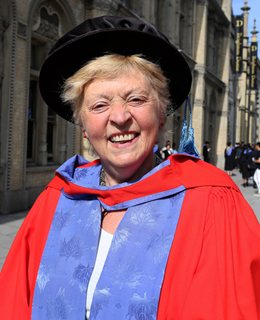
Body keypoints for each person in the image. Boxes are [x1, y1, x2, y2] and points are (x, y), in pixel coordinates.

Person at [0, 15, 260, 320]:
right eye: (99, 105)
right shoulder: (56, 199)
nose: (119, 117)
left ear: (162, 115)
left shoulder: (210, 202)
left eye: (136, 99)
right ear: (82, 125)